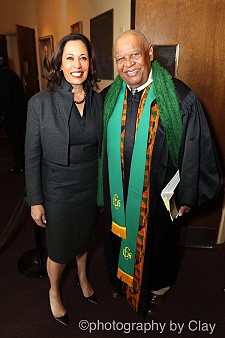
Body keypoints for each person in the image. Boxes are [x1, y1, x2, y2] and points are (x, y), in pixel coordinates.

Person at [97, 30, 222, 317]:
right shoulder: (109, 98)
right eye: (120, 58)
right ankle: (121, 277)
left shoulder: (179, 98)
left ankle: (158, 289)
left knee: (160, 244)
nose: (128, 64)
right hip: (119, 193)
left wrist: (187, 195)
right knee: (117, 237)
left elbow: (194, 150)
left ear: (150, 53)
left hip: (157, 196)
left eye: (135, 55)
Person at [25, 33, 102, 326]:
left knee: (84, 239)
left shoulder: (98, 100)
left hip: (88, 184)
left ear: (90, 63)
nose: (77, 64)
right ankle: (54, 291)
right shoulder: (39, 104)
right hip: (56, 187)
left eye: (83, 57)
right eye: (69, 58)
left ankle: (83, 277)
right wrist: (35, 200)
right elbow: (31, 156)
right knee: (58, 248)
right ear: (59, 64)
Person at [0, 56, 26, 173]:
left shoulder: (3, 77)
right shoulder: (12, 74)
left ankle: (20, 166)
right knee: (19, 141)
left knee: (16, 142)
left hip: (12, 116)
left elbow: (6, 98)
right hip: (19, 114)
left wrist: (3, 113)